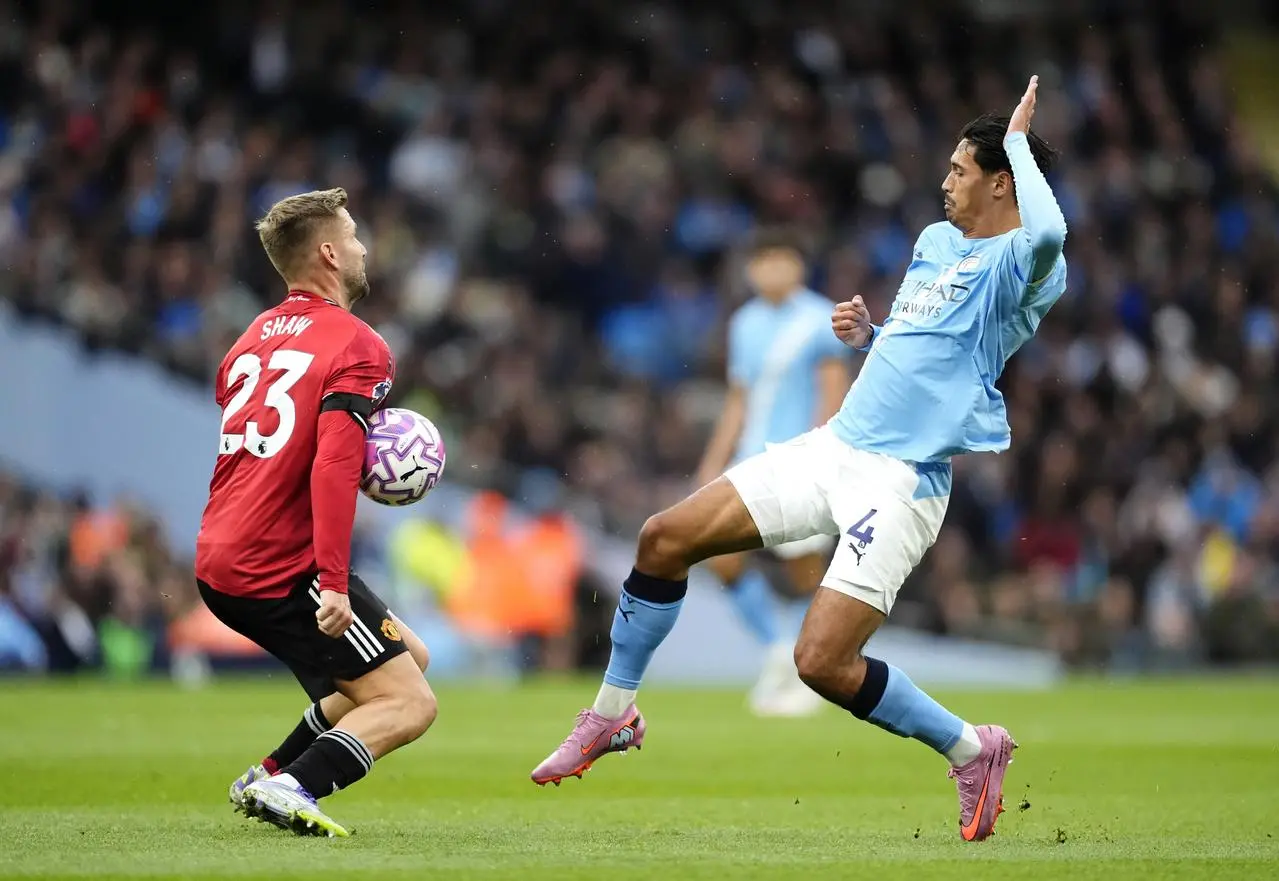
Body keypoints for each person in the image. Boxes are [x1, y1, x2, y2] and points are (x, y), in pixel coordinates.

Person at [530, 77, 1067, 843]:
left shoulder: (1024, 262)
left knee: (820, 661)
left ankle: (969, 747)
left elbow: (1048, 234)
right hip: (834, 446)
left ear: (1000, 182)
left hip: (901, 480)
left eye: (958, 169)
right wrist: (869, 334)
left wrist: (1015, 139)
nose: (944, 181)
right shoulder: (933, 242)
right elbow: (925, 344)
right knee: (663, 536)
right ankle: (610, 715)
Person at [195, 188, 437, 838]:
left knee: (407, 655)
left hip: (221, 553)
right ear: (329, 253)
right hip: (279, 565)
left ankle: (269, 771)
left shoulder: (248, 339)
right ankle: (292, 785)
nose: (363, 248)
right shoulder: (358, 344)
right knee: (410, 702)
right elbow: (331, 466)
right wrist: (332, 582)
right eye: (353, 236)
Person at [694, 229, 849, 716]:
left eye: (781, 259)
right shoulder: (745, 323)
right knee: (719, 555)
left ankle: (806, 669)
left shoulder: (820, 319)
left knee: (804, 570)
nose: (771, 269)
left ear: (799, 266)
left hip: (801, 459)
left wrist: (822, 455)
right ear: (750, 269)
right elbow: (738, 401)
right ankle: (778, 650)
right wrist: (712, 464)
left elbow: (833, 392)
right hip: (751, 461)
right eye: (762, 260)